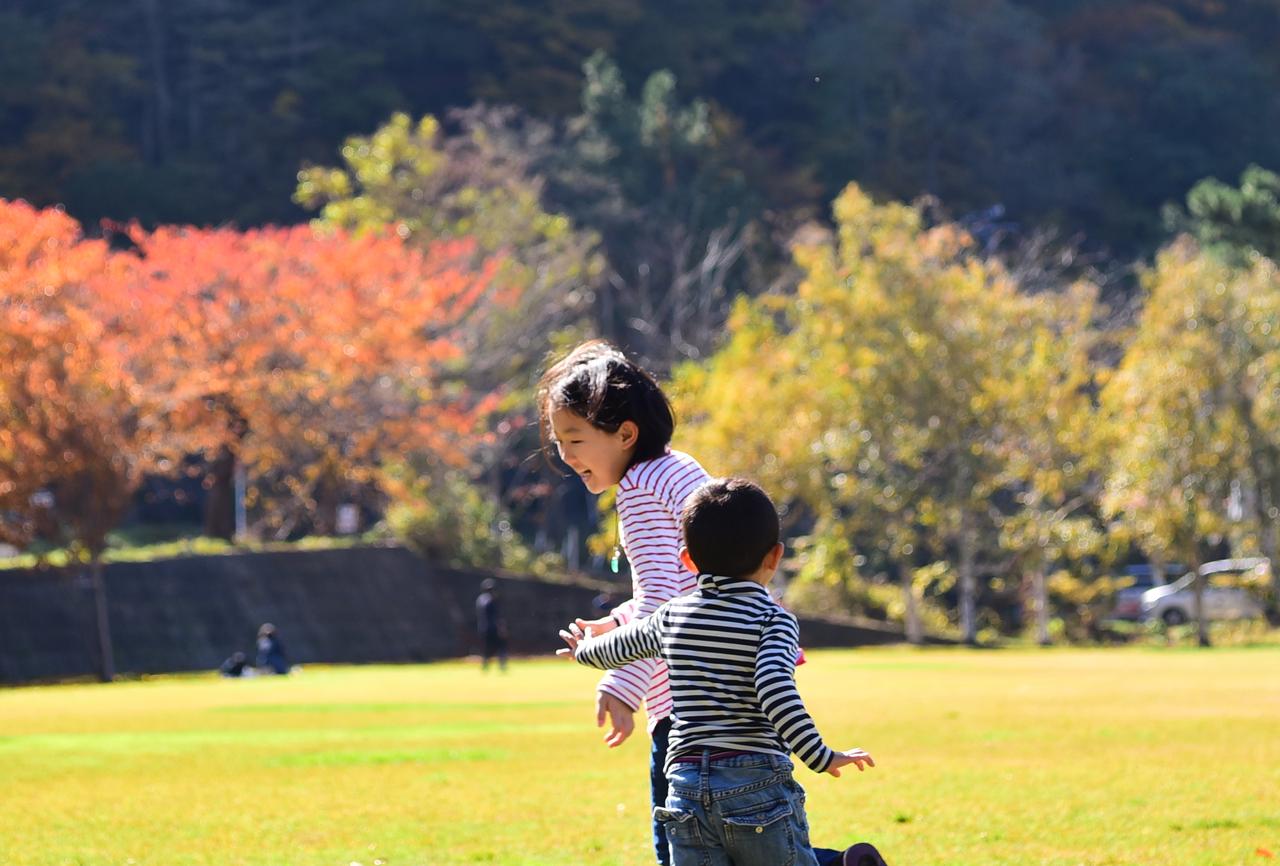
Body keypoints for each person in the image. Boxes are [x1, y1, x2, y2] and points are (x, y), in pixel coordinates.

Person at [538, 340, 855, 866]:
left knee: (685, 851)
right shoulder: (677, 469)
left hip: (687, 709)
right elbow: (694, 583)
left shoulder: (638, 489)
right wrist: (618, 620)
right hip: (744, 700)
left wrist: (621, 682)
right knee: (759, 840)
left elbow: (665, 602)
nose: (565, 457)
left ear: (624, 434)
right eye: (559, 442)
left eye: (574, 440)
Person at [560, 478, 889, 866]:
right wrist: (821, 756)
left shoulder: (671, 616)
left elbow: (615, 649)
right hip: (755, 783)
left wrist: (582, 649)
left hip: (682, 785)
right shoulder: (773, 620)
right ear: (775, 556)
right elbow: (775, 691)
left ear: (688, 560)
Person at [476, 578, 508, 671]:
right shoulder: (491, 599)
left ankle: (485, 665)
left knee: (487, 648)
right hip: (493, 628)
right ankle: (502, 665)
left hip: (483, 628)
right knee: (501, 646)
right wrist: (501, 628)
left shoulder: (480, 599)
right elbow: (496, 616)